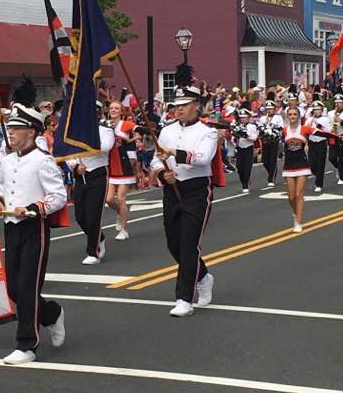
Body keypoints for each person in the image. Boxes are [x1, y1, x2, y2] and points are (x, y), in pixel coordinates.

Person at [0, 101, 67, 365]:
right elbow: (3, 188)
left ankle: (27, 345)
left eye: (16, 128)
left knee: (28, 287)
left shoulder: (42, 161)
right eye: (9, 127)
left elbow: (58, 196)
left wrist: (34, 208)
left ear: (32, 131)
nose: (10, 132)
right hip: (11, 227)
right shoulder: (6, 160)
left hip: (34, 227)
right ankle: (52, 313)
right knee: (14, 288)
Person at [149, 69, 218, 318]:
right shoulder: (166, 130)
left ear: (196, 105)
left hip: (196, 190)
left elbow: (203, 158)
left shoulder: (207, 132)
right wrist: (161, 173)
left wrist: (173, 154)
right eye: (176, 105)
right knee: (173, 244)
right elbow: (154, 160)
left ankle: (184, 298)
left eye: (184, 105)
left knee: (189, 245)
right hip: (172, 189)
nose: (179, 109)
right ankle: (202, 275)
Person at [69, 101, 115, 265]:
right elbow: (70, 153)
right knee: (80, 216)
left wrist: (87, 141)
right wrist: (75, 166)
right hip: (81, 175)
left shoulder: (105, 131)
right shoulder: (76, 133)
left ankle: (93, 252)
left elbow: (105, 147)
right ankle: (99, 237)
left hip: (98, 174)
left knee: (93, 214)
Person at [106, 100, 141, 241]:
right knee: (108, 199)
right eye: (111, 108)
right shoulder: (104, 124)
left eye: (116, 108)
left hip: (124, 165)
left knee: (121, 198)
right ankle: (121, 214)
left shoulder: (125, 124)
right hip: (110, 166)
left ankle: (124, 229)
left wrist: (132, 139)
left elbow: (139, 132)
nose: (113, 110)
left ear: (121, 111)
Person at [281, 106, 313, 233]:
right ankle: (295, 214)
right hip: (289, 166)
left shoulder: (304, 129)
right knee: (291, 197)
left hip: (302, 164)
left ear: (298, 116)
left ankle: (298, 222)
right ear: (287, 116)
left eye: (295, 114)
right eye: (290, 114)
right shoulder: (284, 131)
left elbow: (323, 133)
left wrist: (337, 137)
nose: (293, 116)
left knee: (299, 195)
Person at [233, 108, 259, 192]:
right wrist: (234, 138)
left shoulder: (252, 126)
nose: (243, 119)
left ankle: (245, 185)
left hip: (248, 147)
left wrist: (246, 135)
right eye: (241, 118)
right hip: (240, 148)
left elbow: (254, 138)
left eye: (244, 117)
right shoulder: (237, 126)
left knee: (247, 167)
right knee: (239, 167)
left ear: (248, 118)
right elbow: (234, 137)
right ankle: (243, 181)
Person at [258, 99, 282, 187]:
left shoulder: (278, 117)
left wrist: (272, 130)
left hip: (274, 141)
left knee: (272, 160)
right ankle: (270, 172)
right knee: (265, 161)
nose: (269, 110)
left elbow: (280, 128)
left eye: (271, 108)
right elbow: (260, 128)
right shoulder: (263, 118)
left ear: (274, 109)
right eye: (267, 109)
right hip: (265, 141)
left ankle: (271, 178)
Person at [306, 101, 329, 193]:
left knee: (320, 163)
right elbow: (305, 131)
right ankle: (317, 175)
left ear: (322, 110)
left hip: (321, 141)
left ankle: (319, 183)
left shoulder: (325, 119)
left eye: (318, 110)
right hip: (312, 141)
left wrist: (318, 124)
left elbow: (327, 131)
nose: (316, 112)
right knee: (311, 164)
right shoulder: (309, 119)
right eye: (315, 110)